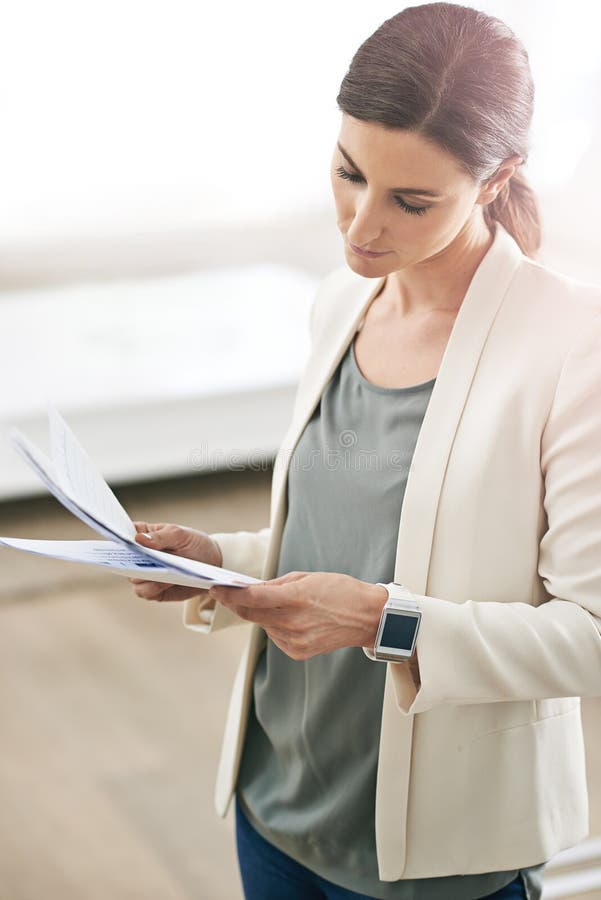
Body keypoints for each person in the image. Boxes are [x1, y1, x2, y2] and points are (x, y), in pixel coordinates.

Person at [128, 4, 601, 899]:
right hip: (272, 804)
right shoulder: (338, 304)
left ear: (497, 178)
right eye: (348, 173)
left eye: (409, 200)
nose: (359, 225)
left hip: (437, 858)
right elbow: (351, 541)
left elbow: (591, 636)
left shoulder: (574, 347)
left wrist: (384, 622)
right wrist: (221, 565)